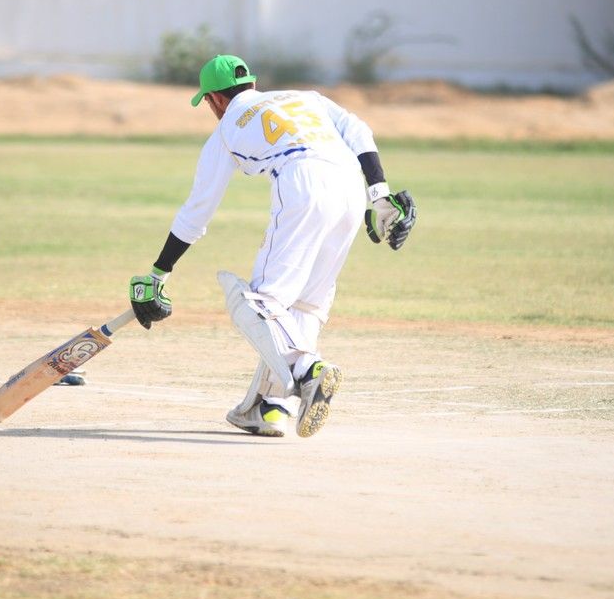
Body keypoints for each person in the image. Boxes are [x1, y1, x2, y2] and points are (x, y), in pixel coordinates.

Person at [129, 55, 415, 438]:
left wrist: (158, 274)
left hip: (302, 182)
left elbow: (196, 212)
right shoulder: (306, 97)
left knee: (257, 302)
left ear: (214, 100)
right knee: (305, 305)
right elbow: (358, 129)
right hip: (351, 187)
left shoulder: (227, 128)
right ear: (251, 84)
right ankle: (270, 407)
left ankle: (308, 370)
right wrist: (379, 195)